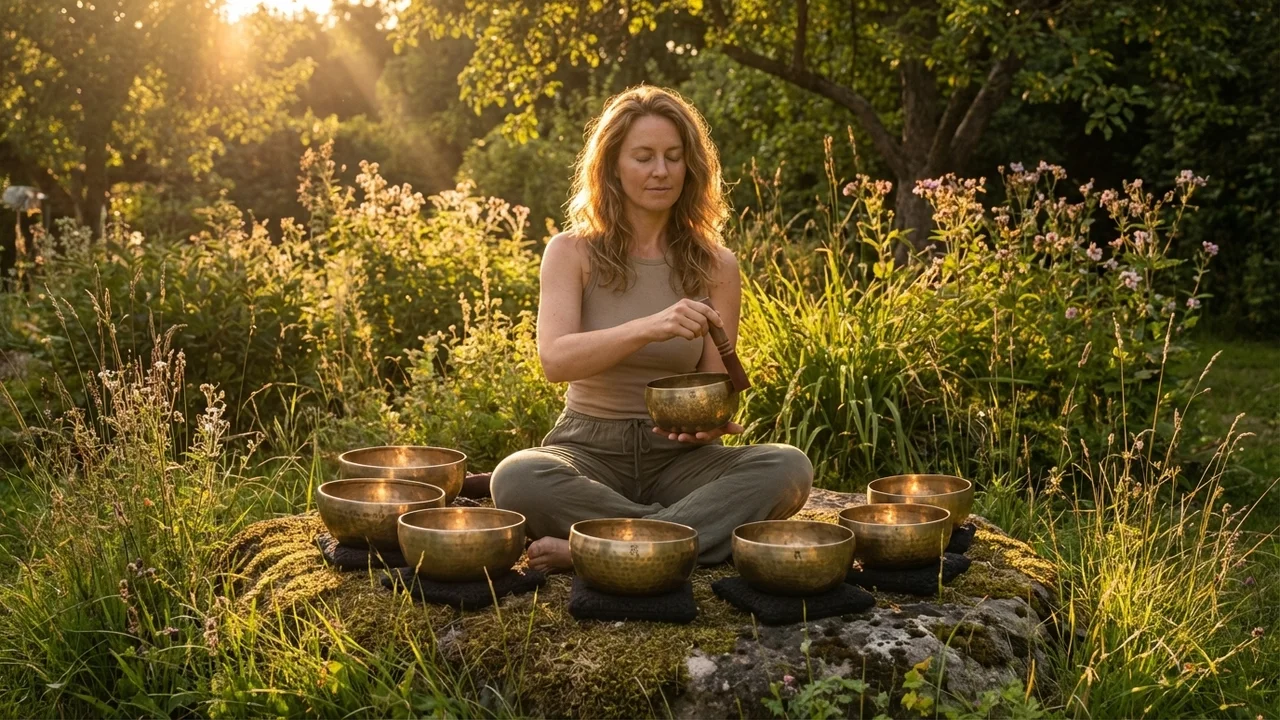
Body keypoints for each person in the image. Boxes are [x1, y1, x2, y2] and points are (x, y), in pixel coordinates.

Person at [490, 86, 813, 573]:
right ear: (612, 167)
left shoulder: (716, 265)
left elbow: (714, 384)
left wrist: (710, 419)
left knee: (789, 468)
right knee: (517, 477)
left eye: (673, 157)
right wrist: (649, 327)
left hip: (679, 460)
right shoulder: (571, 252)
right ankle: (683, 535)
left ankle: (595, 546)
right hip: (587, 449)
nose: (661, 171)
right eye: (643, 157)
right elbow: (555, 360)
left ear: (690, 166)